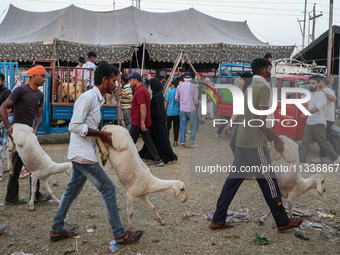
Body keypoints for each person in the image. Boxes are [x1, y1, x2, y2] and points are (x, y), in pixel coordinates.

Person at [49, 62, 144, 243]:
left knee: (70, 192)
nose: (116, 85)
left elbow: (88, 126)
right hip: (83, 155)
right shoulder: (88, 98)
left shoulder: (97, 98)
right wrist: (101, 133)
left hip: (82, 153)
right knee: (108, 188)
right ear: (104, 80)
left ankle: (56, 230)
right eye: (114, 81)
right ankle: (120, 234)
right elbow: (74, 126)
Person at [209, 58, 303, 232]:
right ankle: (282, 221)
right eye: (270, 68)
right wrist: (277, 139)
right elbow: (261, 122)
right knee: (269, 182)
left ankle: (218, 219)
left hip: (242, 140)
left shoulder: (250, 87)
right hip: (254, 143)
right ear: (265, 70)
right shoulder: (263, 87)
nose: (271, 71)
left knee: (233, 181)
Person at [1, 65, 52, 205]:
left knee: (18, 164)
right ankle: (34, 195)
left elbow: (39, 116)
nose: (44, 79)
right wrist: (8, 129)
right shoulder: (20, 91)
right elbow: (3, 107)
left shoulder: (39, 95)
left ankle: (11, 197)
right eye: (42, 76)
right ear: (34, 76)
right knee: (32, 163)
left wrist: (35, 128)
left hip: (28, 134)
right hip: (18, 133)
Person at [299, 76, 339, 164]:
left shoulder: (321, 94)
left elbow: (319, 107)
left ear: (318, 84)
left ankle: (335, 158)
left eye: (313, 83)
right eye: (310, 83)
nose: (311, 85)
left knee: (323, 142)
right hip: (310, 122)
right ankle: (302, 159)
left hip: (318, 122)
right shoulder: (312, 95)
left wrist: (306, 113)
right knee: (305, 142)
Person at [127, 72, 164, 166]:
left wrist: (142, 122)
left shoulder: (139, 91)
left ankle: (127, 160)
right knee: (148, 140)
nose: (130, 82)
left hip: (138, 121)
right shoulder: (143, 89)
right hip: (142, 121)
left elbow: (142, 107)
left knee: (130, 141)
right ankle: (157, 159)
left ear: (135, 80)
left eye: (131, 80)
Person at [139, 78, 177, 164]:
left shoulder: (157, 96)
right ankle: (147, 155)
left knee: (160, 140)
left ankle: (168, 157)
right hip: (157, 122)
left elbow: (157, 110)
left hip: (157, 122)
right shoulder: (158, 94)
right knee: (154, 139)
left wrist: (148, 111)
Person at [312, 77, 337, 163]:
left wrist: (324, 93)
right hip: (321, 119)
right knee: (328, 138)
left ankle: (323, 157)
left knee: (321, 138)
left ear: (322, 82)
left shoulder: (329, 91)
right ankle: (336, 156)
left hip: (328, 118)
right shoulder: (316, 92)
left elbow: (334, 99)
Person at [175, 72, 199, 149]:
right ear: (191, 78)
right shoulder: (194, 86)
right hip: (191, 108)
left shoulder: (179, 86)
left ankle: (182, 144)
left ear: (184, 78)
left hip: (182, 109)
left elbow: (176, 98)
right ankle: (191, 143)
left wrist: (181, 101)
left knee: (183, 126)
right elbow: (196, 100)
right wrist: (195, 104)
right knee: (193, 126)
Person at [0, 73, 11, 181]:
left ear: (3, 81)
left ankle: (22, 168)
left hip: (4, 124)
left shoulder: (7, 92)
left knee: (7, 148)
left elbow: (9, 109)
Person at [165, 79, 180, 147]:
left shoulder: (169, 92)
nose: (170, 85)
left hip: (169, 112)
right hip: (177, 112)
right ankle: (175, 142)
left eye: (171, 84)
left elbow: (167, 101)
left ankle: (167, 142)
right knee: (176, 127)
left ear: (173, 85)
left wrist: (164, 109)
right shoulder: (179, 92)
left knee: (168, 127)